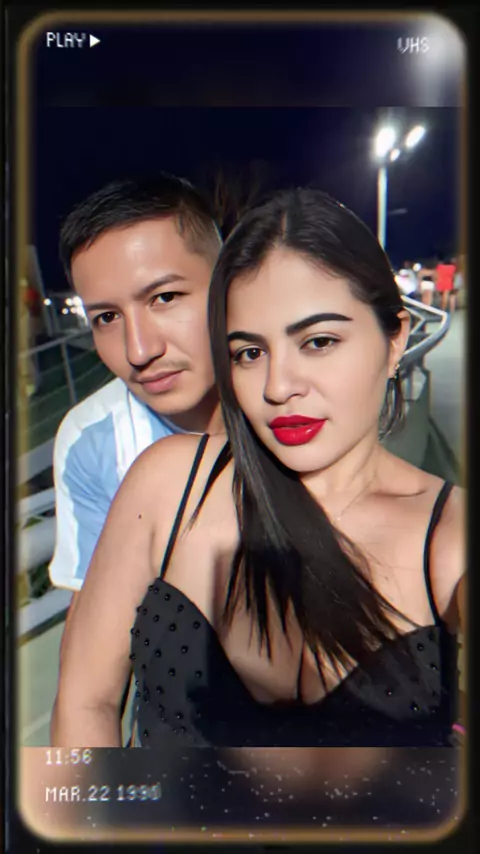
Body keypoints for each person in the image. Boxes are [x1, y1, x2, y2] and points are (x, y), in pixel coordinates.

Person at [52, 188, 465, 749]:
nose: (278, 386)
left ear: (396, 341)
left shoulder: (449, 535)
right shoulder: (155, 476)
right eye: (249, 353)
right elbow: (86, 699)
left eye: (319, 341)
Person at [49, 174, 224, 594]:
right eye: (107, 318)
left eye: (164, 297)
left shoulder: (295, 394)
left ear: (228, 284)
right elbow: (100, 615)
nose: (139, 351)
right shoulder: (91, 442)